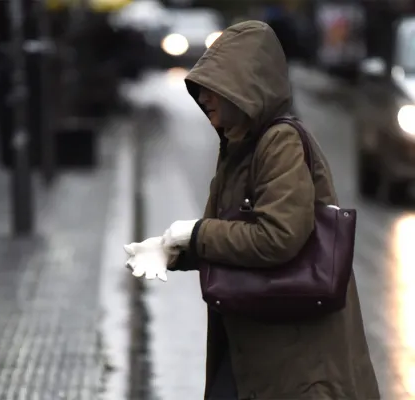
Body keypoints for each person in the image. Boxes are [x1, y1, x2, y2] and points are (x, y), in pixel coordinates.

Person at [160, 21, 380, 400]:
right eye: (202, 90)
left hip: (295, 363)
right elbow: (229, 235)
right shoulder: (238, 145)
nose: (205, 98)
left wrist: (195, 234)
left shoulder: (279, 142)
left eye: (214, 89)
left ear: (244, 89)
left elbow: (277, 237)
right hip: (256, 349)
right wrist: (172, 249)